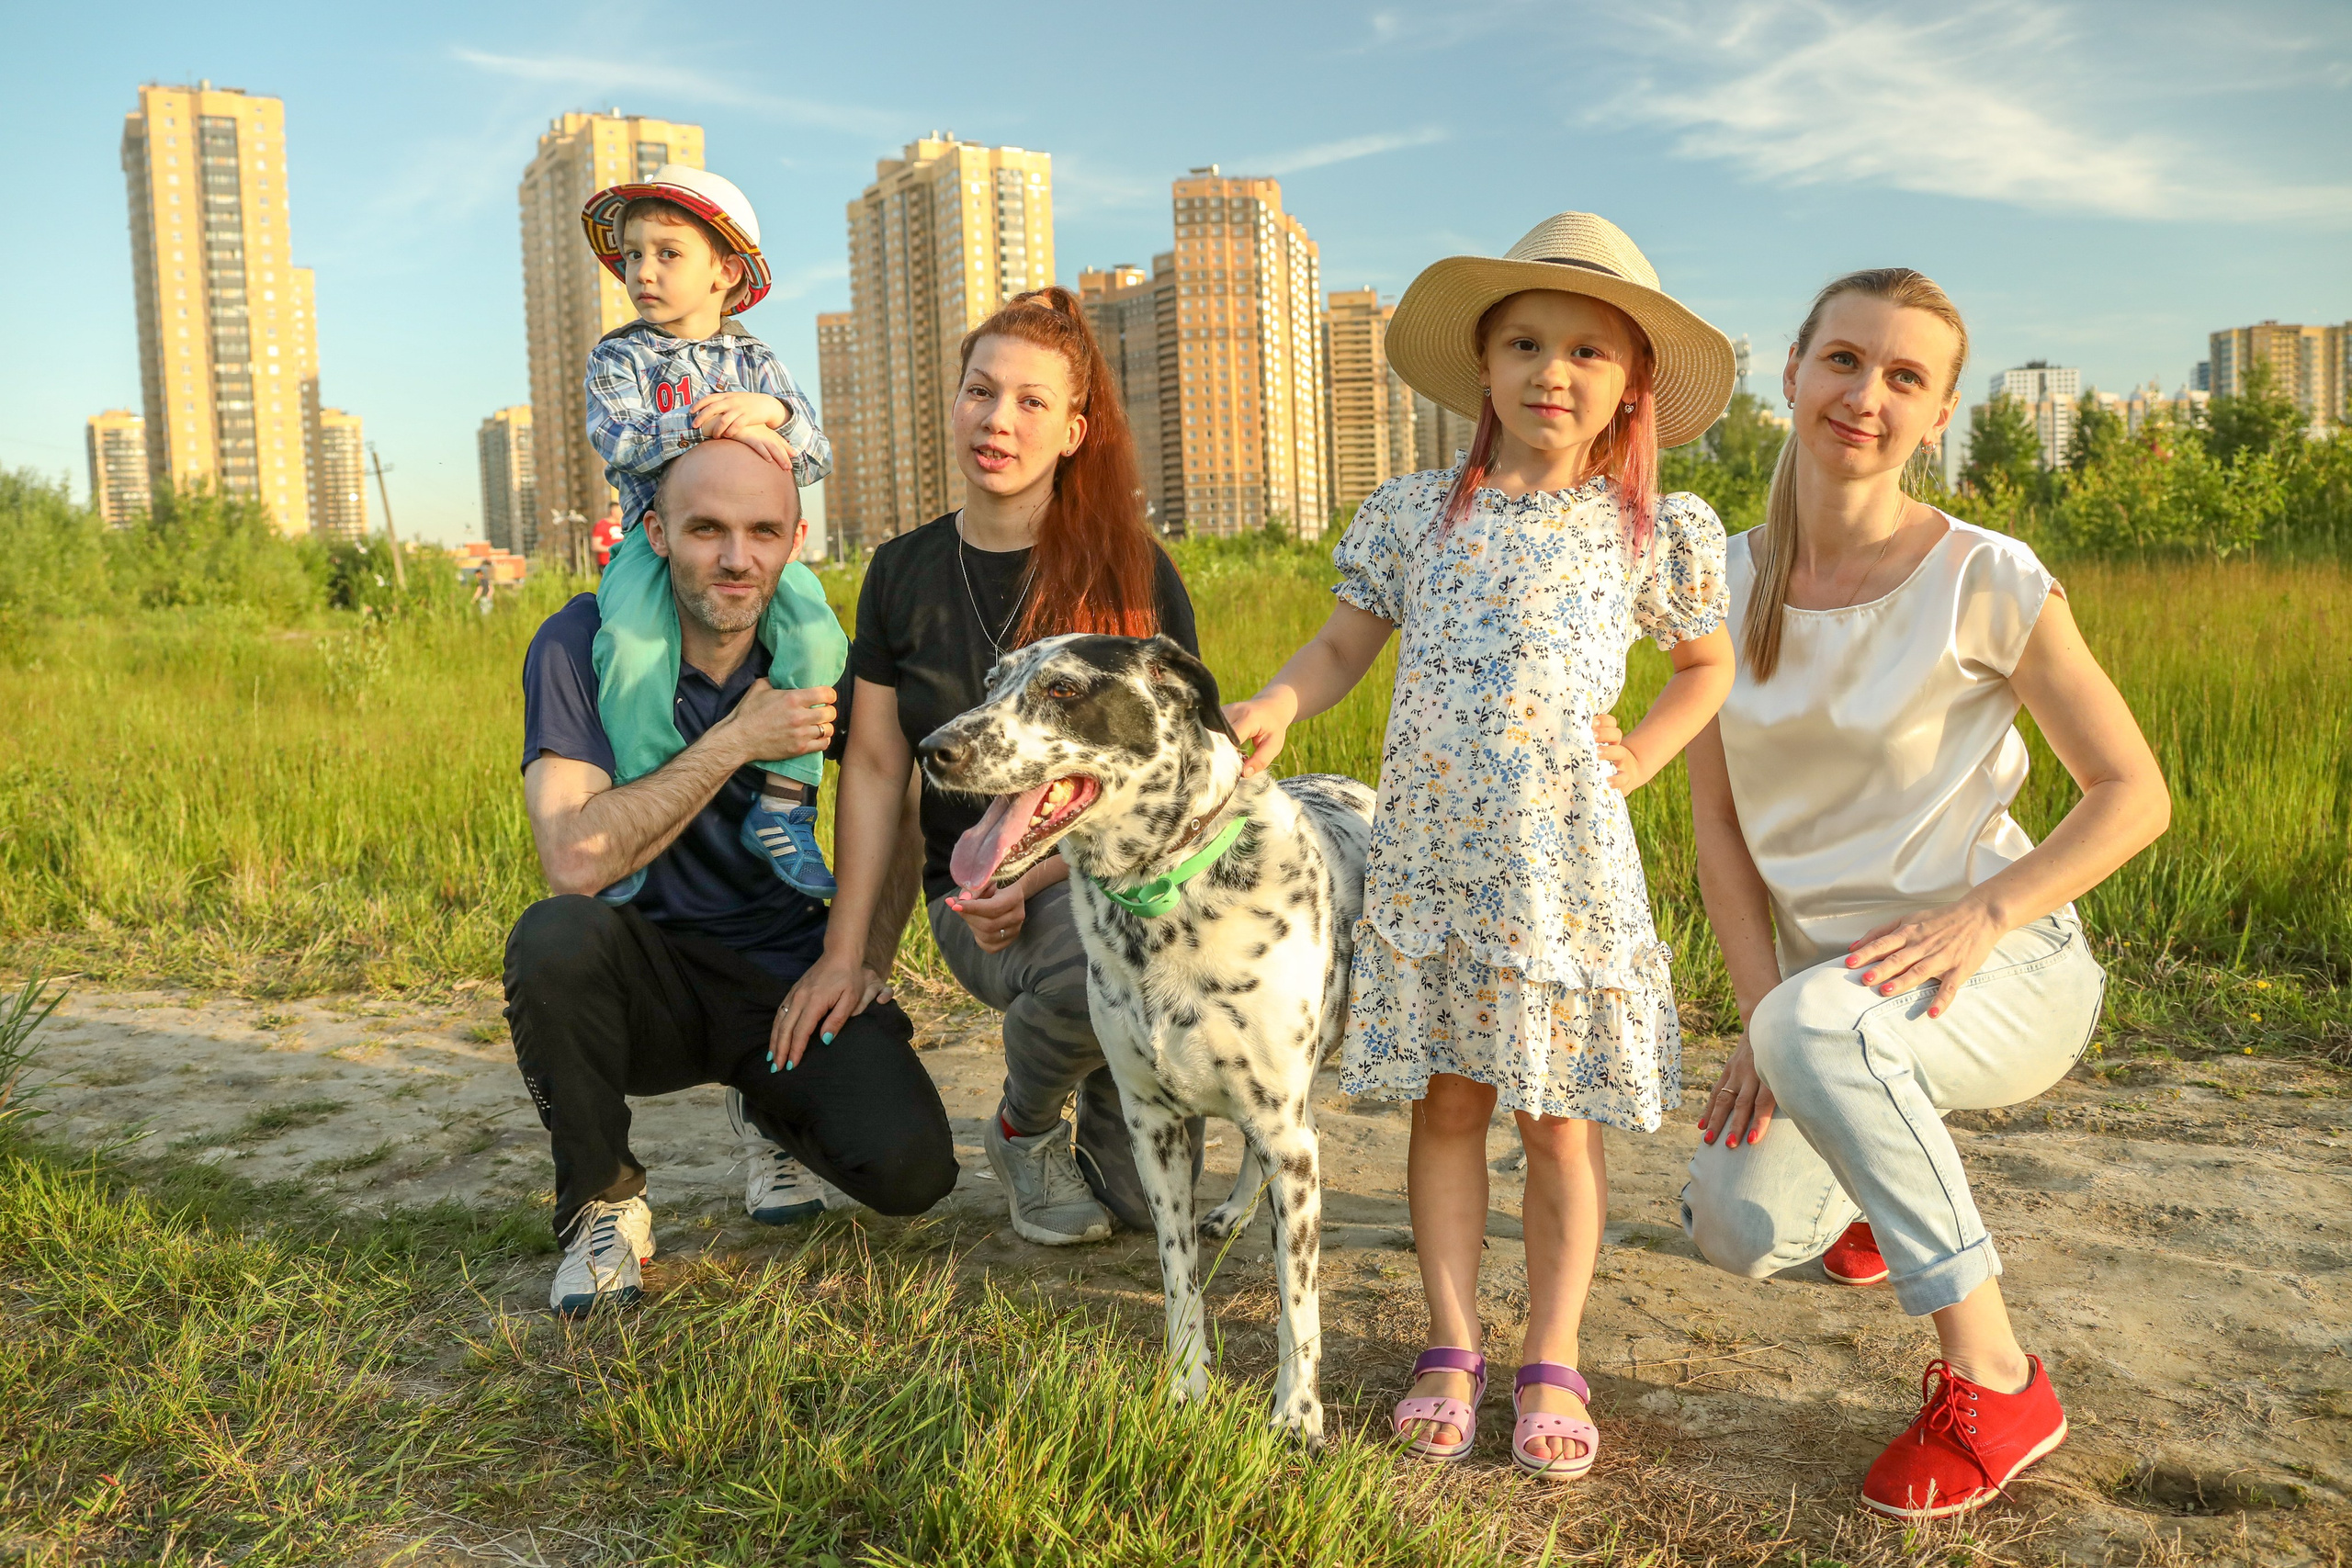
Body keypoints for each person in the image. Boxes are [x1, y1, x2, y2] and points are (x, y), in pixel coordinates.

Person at [1225, 214, 1737, 1481]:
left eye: (1584, 350)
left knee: (1560, 1120)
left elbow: (1705, 665)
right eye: (1523, 342)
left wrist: (1644, 752)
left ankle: (1552, 1347)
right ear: (1485, 364)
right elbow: (1344, 643)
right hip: (1436, 864)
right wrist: (1283, 701)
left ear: (1629, 388)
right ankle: (1452, 1340)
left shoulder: (1650, 527)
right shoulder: (1415, 514)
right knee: (1449, 1104)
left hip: (1563, 867)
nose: (1550, 370)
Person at [1676, 268, 2170, 1518]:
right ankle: (1867, 1184)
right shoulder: (1712, 588)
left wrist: (1988, 910)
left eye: (1906, 377)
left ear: (1940, 413)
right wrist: (1759, 1017)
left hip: (1998, 966)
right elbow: (1721, 833)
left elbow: (2132, 792)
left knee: (1814, 1026)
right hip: (1821, 1001)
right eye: (1843, 360)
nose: (1866, 395)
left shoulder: (1987, 575)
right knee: (1731, 1228)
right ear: (1789, 373)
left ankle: (1999, 1381)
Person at [781, 287, 1205, 1248]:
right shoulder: (901, 570)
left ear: (1071, 430)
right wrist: (850, 956)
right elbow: (879, 771)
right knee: (1080, 958)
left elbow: (1177, 770)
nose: (997, 421)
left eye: (1029, 403)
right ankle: (1024, 1129)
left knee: (1140, 1211)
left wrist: (1044, 866)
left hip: (1124, 879)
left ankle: (1112, 1082)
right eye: (980, 392)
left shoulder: (1131, 569)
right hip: (978, 898)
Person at [505, 437, 956, 1316]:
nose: (736, 558)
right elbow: (572, 858)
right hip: (649, 978)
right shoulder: (582, 642)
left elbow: (897, 799)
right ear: (656, 531)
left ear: (796, 540)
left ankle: (771, 1109)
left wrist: (861, 956)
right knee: (555, 937)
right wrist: (738, 740)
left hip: (783, 973)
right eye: (706, 528)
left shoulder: (825, 654)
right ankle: (603, 1205)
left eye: (762, 531)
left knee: (913, 1173)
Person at [579, 163, 846, 901]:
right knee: (632, 648)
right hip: (653, 539)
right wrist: (705, 424)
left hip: (748, 541)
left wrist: (774, 417)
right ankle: (645, 812)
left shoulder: (756, 361)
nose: (643, 271)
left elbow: (816, 454)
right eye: (633, 254)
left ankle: (785, 803)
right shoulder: (618, 356)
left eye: (668, 253)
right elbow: (621, 441)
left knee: (820, 636)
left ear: (724, 272)